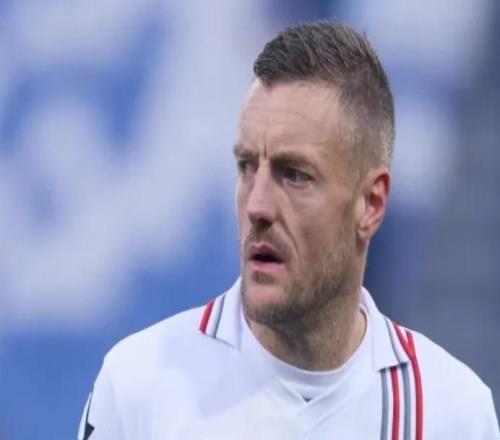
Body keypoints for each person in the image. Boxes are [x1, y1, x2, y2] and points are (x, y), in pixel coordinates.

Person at [78, 21, 499, 439]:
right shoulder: (139, 388)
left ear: (371, 204)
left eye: (294, 175)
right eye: (247, 167)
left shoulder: (454, 414)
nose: (257, 207)